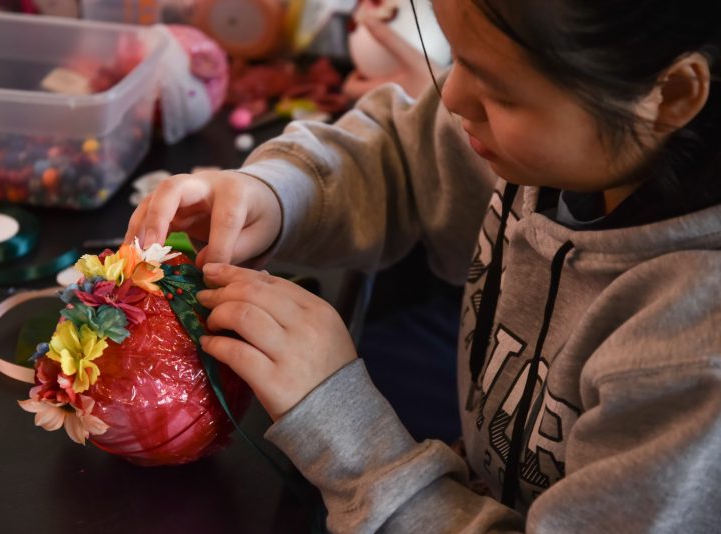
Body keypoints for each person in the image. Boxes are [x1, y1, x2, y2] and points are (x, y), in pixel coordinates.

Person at [126, 0, 721, 531]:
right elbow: (403, 152)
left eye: (499, 89)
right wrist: (276, 195)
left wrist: (343, 425)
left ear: (669, 96)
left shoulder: (692, 357)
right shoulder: (561, 146)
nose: (452, 96)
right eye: (455, 56)